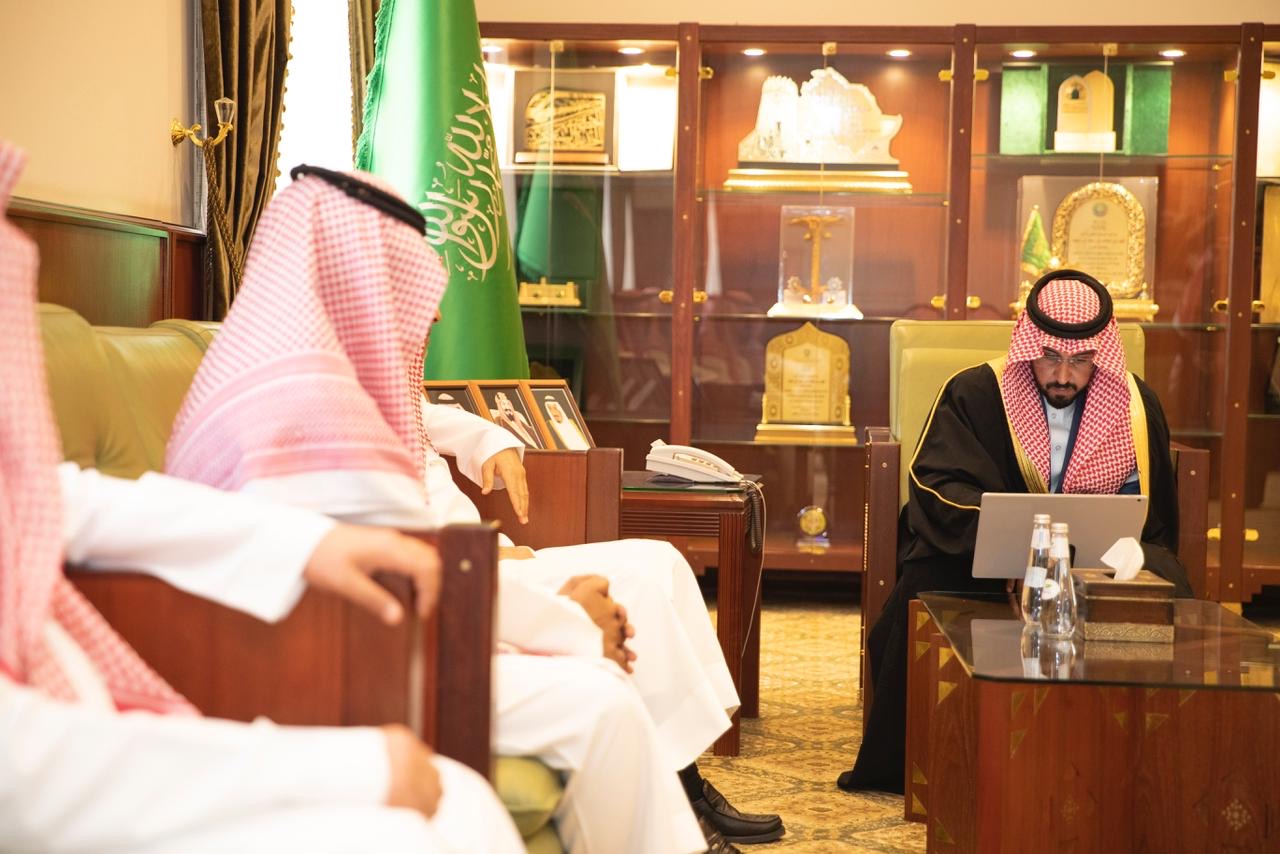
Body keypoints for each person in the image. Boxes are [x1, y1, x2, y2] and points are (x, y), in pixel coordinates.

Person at [165, 165, 715, 853]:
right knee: (603, 702)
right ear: (362, 285)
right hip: (324, 666)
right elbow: (415, 572)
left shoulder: (264, 378)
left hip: (343, 639)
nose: (434, 313)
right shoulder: (320, 409)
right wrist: (571, 623)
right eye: (410, 282)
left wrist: (560, 621)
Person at [0, 140, 522, 853]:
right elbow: (27, 773)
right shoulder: (299, 402)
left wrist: (311, 545)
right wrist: (343, 769)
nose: (431, 313)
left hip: (111, 711)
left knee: (459, 801)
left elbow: (50, 499)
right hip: (172, 727)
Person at [838, 270, 1193, 795]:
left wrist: (1084, 560)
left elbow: (1153, 514)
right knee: (923, 587)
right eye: (1050, 358)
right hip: (980, 552)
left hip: (1098, 562)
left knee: (1168, 589)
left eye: (1081, 361)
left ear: (1100, 355)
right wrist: (1018, 553)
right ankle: (923, 762)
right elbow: (937, 489)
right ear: (1028, 345)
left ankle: (1136, 761)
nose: (1064, 376)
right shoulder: (975, 393)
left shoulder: (1135, 406)